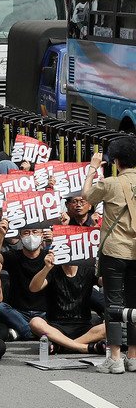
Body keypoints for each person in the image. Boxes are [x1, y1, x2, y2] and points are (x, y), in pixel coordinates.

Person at [82, 139, 136, 373]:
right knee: (134, 305)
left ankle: (115, 357)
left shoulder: (111, 183)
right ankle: (133, 356)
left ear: (115, 161)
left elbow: (86, 195)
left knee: (113, 303)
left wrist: (93, 168)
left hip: (114, 251)